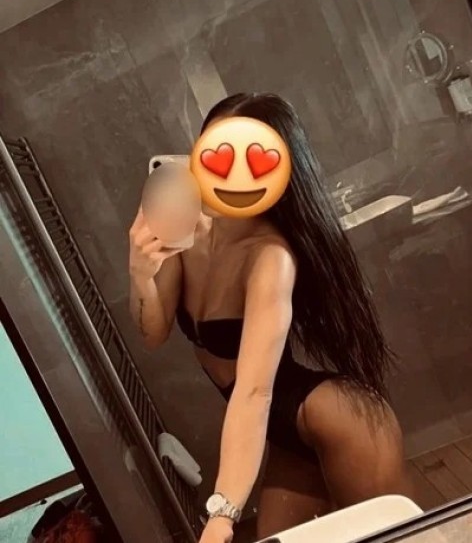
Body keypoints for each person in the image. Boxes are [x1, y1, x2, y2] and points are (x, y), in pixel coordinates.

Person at [128, 94, 412, 543]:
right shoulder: (184, 228)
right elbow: (154, 332)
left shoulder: (269, 256)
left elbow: (254, 392)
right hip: (283, 435)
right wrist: (141, 273)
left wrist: (223, 513)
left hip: (337, 421)